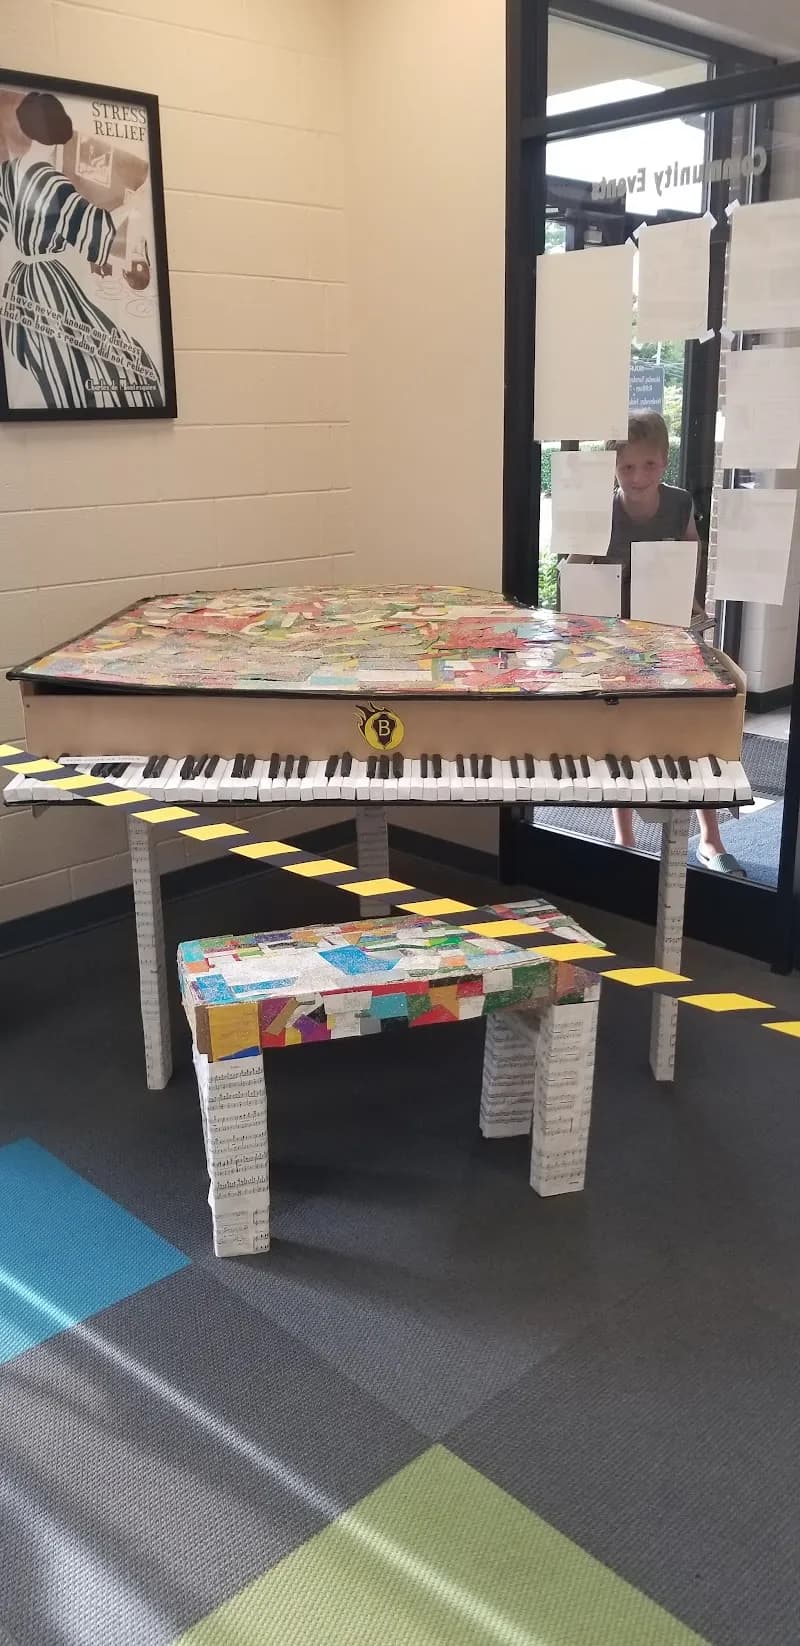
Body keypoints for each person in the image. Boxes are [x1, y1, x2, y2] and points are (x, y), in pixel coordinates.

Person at [567, 412, 745, 877]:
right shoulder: (602, 510)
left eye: (648, 465)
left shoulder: (680, 502)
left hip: (669, 631)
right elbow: (576, 565)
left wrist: (689, 605)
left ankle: (710, 837)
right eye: (627, 467)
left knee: (689, 727)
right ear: (613, 467)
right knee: (623, 729)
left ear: (664, 461)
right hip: (618, 637)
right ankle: (623, 836)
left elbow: (692, 552)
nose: (638, 476)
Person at [0, 90, 162, 410]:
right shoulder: (51, 179)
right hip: (47, 283)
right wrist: (133, 209)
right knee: (109, 361)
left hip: (19, 284)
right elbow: (95, 234)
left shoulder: (7, 173)